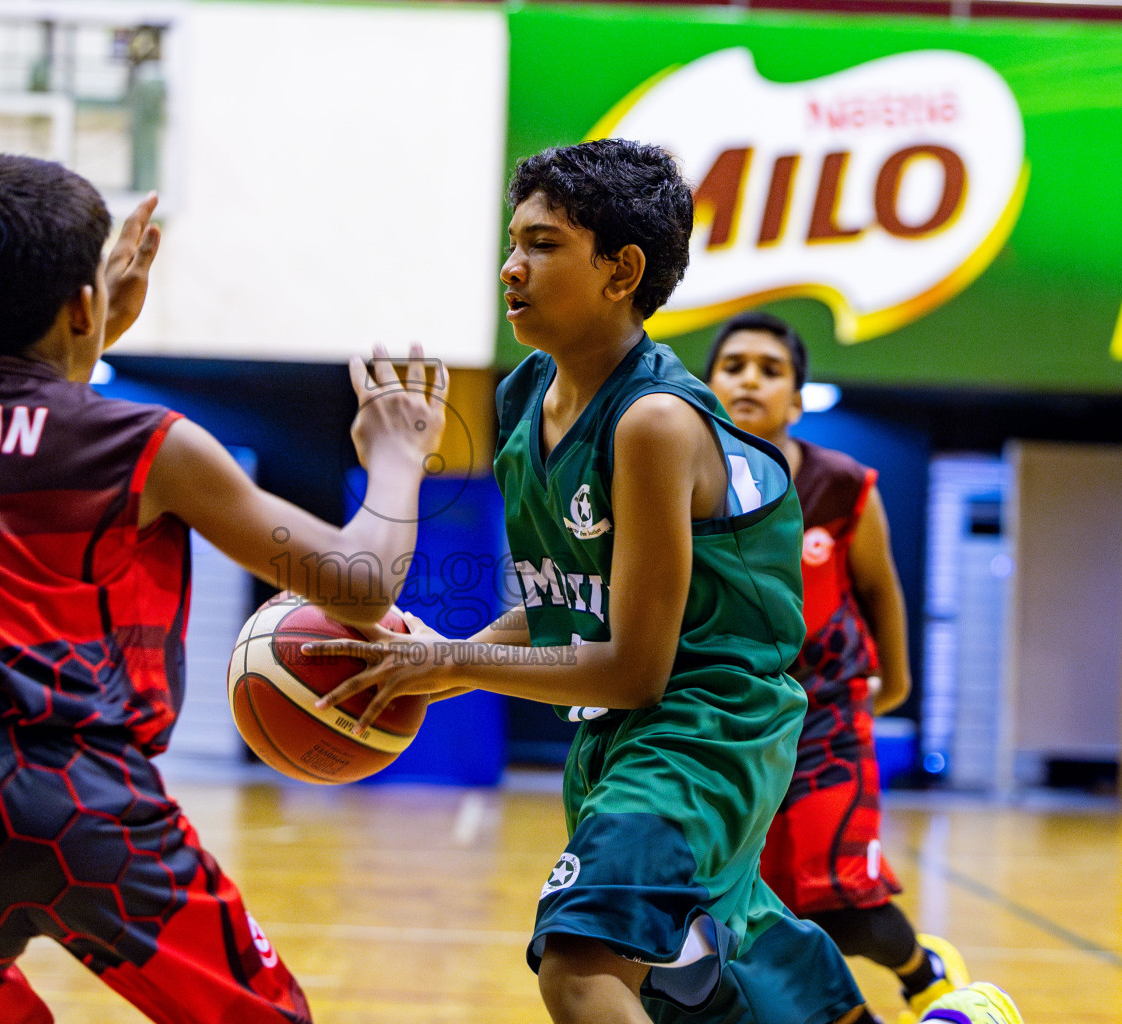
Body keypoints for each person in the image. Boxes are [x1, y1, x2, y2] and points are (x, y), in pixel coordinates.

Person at [0, 153, 448, 1024]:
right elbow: (359, 584)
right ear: (85, 302)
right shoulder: (145, 442)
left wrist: (79, 338)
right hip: (75, 799)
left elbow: (15, 421)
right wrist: (397, 459)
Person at [308, 137, 877, 1024]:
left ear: (623, 271)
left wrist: (450, 664)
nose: (511, 265)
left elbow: (632, 668)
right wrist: (427, 653)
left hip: (703, 730)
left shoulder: (653, 422)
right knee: (699, 980)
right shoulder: (526, 395)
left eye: (542, 244)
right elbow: (556, 611)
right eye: (513, 241)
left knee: (579, 966)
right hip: (616, 739)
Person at [703, 311, 970, 1021]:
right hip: (733, 723)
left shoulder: (844, 484)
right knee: (767, 912)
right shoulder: (682, 485)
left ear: (796, 398)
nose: (750, 379)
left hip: (826, 715)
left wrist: (901, 684)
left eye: (770, 368)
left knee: (849, 905)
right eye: (733, 366)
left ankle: (925, 973)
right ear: (706, 389)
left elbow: (881, 588)